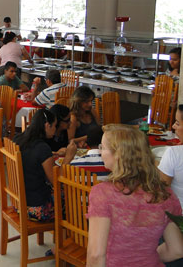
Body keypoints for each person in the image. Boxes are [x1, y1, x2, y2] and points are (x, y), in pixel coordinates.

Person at [87, 126, 183, 266]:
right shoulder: (165, 194)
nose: (100, 152)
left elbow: (96, 255)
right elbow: (177, 250)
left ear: (118, 154)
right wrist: (146, 257)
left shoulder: (103, 194)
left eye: (103, 147)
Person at [13, 109, 77, 221]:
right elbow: (56, 180)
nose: (55, 129)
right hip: (37, 207)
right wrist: (68, 158)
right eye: (54, 126)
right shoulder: (42, 148)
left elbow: (31, 157)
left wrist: (53, 154)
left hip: (18, 201)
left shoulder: (18, 139)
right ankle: (69, 233)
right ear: (47, 125)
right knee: (72, 194)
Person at [159, 104, 183, 208]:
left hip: (177, 217)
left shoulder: (174, 153)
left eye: (177, 123)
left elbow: (162, 191)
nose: (173, 126)